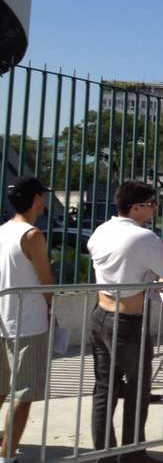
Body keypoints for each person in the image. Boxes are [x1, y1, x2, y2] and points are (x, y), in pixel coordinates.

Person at [88, 180, 163, 463]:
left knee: (104, 389)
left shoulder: (102, 230)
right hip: (127, 320)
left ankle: (106, 453)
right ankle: (132, 453)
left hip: (100, 314)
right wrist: (155, 280)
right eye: (152, 203)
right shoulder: (144, 238)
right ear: (136, 207)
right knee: (137, 387)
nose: (155, 208)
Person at [0, 177, 55, 461]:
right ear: (36, 200)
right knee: (24, 395)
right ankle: (7, 455)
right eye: (42, 197)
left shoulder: (2, 231)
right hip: (29, 322)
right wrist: (52, 308)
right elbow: (46, 282)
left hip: (2, 317)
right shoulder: (32, 235)